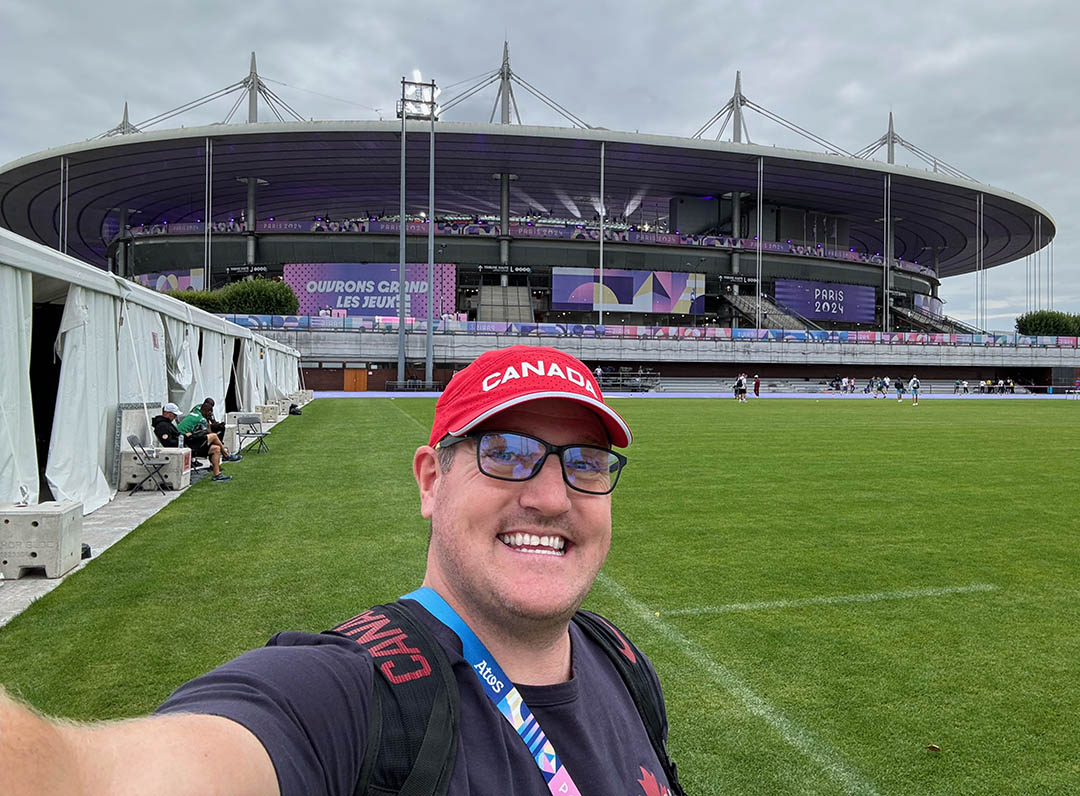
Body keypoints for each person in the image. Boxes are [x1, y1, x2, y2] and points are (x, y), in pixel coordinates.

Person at [0, 346, 683, 796]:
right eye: (506, 451)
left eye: (587, 463)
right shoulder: (347, 697)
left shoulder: (620, 661)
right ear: (430, 480)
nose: (552, 496)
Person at [154, 402, 235, 482]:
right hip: (185, 446)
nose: (175, 417)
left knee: (216, 448)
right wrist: (185, 436)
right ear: (167, 413)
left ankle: (217, 475)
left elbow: (175, 437)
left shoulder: (167, 424)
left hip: (187, 444)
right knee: (213, 436)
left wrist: (186, 435)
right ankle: (227, 456)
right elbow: (170, 443)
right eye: (174, 415)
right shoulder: (162, 426)